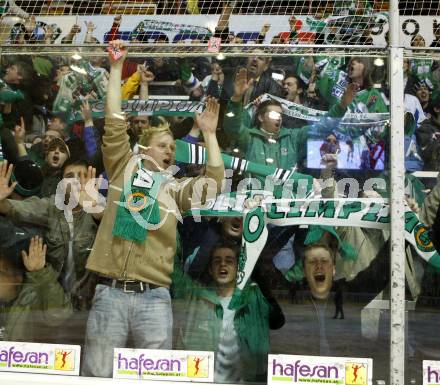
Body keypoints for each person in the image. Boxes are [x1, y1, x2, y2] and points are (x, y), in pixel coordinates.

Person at [81, 40, 225, 378]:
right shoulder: (122, 167)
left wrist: (210, 135)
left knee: (156, 377)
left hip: (154, 297)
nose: (170, 151)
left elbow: (214, 183)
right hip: (111, 292)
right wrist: (117, 68)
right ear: (144, 147)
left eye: (173, 148)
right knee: (98, 374)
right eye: (164, 145)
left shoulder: (174, 190)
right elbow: (114, 123)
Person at [176, 241, 283, 383]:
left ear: (238, 268)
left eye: (229, 260)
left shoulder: (254, 296)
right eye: (217, 261)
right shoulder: (199, 298)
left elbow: (278, 320)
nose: (222, 265)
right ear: (210, 269)